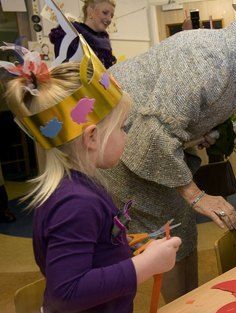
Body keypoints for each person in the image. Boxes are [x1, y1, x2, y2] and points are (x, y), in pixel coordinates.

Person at [100, 0, 236, 302]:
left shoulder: (235, 67)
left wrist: (198, 136)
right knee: (168, 234)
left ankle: (187, 301)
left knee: (179, 231)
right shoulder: (205, 60)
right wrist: (197, 195)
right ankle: (183, 305)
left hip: (144, 145)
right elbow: (153, 133)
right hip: (120, 150)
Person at [1, 38, 180, 312]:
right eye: (121, 128)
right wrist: (145, 266)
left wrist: (122, 250)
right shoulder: (75, 203)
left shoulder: (79, 187)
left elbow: (89, 254)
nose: (125, 136)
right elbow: (67, 292)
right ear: (92, 137)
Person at [50, 0, 117, 68]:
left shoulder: (104, 41)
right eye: (105, 13)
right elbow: (64, 70)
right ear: (90, 11)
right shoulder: (71, 32)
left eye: (111, 16)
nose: (109, 19)